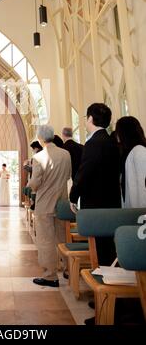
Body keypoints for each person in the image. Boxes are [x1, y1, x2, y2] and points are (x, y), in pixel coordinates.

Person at [69, 103, 121, 273]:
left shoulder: (93, 143)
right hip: (112, 202)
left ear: (90, 118)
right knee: (108, 246)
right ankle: (109, 285)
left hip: (96, 204)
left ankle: (103, 288)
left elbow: (84, 173)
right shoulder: (112, 142)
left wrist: (73, 196)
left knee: (99, 246)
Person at [28, 125, 71, 288]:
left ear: (40, 139)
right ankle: (68, 269)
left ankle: (50, 275)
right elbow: (68, 175)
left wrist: (32, 184)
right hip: (61, 203)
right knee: (62, 238)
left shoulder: (38, 157)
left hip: (45, 204)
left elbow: (35, 183)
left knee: (46, 240)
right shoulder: (66, 154)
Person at [115, 116, 146, 208]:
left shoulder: (139, 151)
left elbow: (143, 187)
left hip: (140, 213)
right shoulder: (130, 152)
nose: (116, 135)